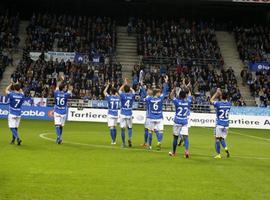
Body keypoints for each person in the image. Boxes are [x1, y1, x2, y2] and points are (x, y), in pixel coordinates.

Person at [144, 75, 169, 150]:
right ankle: (159, 142)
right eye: (159, 92)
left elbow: (145, 98)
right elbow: (165, 91)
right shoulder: (160, 99)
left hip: (151, 117)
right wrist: (166, 82)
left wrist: (150, 90)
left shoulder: (149, 99)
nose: (160, 93)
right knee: (160, 131)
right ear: (156, 93)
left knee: (150, 132)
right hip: (159, 118)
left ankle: (150, 146)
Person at [169, 88, 192, 158]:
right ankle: (187, 151)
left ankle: (174, 152)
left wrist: (173, 90)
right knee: (186, 137)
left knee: (175, 138)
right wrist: (187, 88)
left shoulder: (177, 102)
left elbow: (171, 96)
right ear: (185, 96)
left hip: (177, 121)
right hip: (184, 121)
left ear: (179, 96)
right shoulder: (188, 101)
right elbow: (190, 94)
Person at [210, 88, 232, 159]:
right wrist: (222, 94)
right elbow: (226, 99)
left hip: (219, 124)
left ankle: (218, 154)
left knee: (217, 139)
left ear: (221, 96)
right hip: (226, 124)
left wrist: (216, 93)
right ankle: (226, 149)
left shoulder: (218, 104)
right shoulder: (229, 104)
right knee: (222, 139)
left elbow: (211, 100)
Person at [54, 75, 73, 144]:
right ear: (63, 89)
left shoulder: (56, 93)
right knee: (61, 126)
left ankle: (59, 137)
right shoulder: (65, 95)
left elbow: (57, 86)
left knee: (57, 125)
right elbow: (70, 89)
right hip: (63, 111)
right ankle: (59, 137)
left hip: (57, 110)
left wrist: (61, 80)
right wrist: (69, 83)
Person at [119, 78, 135, 147]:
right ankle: (130, 138)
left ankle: (123, 143)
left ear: (124, 90)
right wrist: (130, 87)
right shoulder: (132, 95)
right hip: (129, 113)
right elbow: (133, 91)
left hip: (123, 113)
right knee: (130, 128)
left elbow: (119, 90)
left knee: (122, 129)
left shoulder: (122, 95)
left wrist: (125, 84)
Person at [139, 82, 153, 147]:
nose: (147, 91)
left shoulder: (148, 98)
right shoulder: (152, 97)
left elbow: (142, 99)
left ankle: (147, 143)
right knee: (150, 130)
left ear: (150, 92)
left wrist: (142, 88)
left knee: (147, 129)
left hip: (149, 116)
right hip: (153, 115)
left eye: (148, 90)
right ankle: (147, 143)